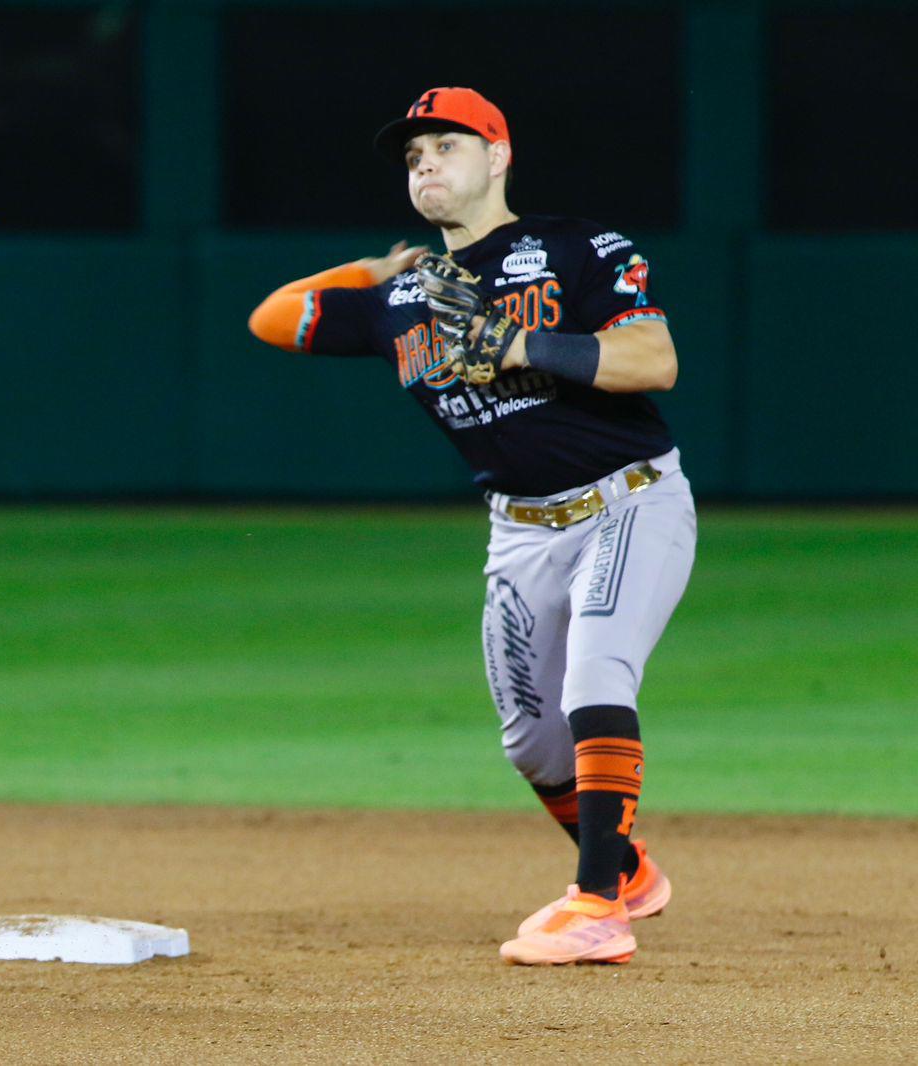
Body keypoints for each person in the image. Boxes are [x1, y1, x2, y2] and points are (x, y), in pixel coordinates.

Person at [248, 87, 695, 966]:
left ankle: (598, 905)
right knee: (532, 742)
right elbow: (273, 317)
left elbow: (656, 360)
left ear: (498, 156)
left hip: (627, 497)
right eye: (413, 159)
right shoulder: (400, 301)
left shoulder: (576, 246)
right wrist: (369, 275)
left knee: (598, 672)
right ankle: (630, 870)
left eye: (445, 148)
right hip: (520, 529)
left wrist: (525, 345)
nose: (426, 169)